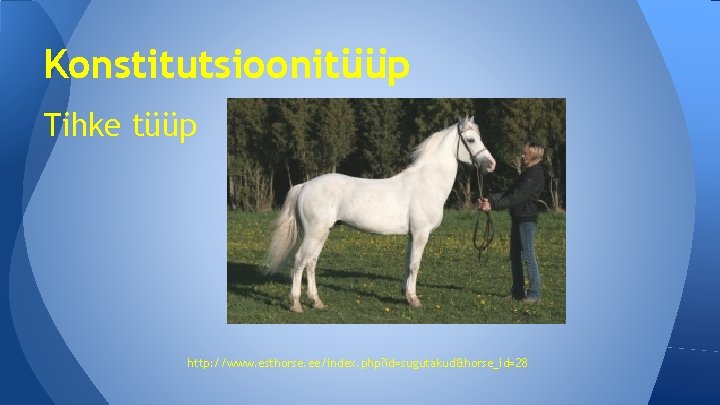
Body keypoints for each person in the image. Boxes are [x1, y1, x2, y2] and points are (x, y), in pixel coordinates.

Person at [479, 141, 545, 303]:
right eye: (523, 153)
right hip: (518, 218)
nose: (522, 156)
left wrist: (493, 206)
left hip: (526, 220)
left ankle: (534, 293)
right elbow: (510, 192)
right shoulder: (526, 173)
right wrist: (490, 199)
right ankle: (517, 291)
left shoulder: (534, 175)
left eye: (525, 154)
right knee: (515, 256)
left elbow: (517, 197)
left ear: (534, 156)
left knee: (528, 256)